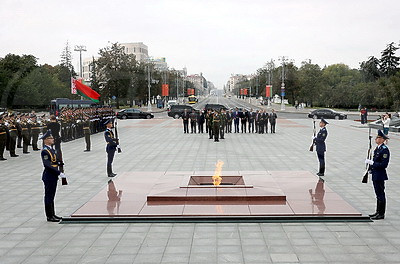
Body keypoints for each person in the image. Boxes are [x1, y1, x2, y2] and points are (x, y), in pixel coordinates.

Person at [40, 130, 65, 222]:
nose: (53, 139)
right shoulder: (45, 151)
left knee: (52, 196)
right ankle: (49, 216)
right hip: (49, 175)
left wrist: (59, 163)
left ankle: (53, 214)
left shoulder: (51, 149)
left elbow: (53, 161)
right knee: (48, 196)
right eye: (50, 138)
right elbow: (47, 164)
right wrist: (59, 173)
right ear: (45, 140)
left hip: (53, 175)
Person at [365, 130, 390, 220]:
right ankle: (377, 212)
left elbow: (383, 165)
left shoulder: (384, 150)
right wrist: (370, 169)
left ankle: (381, 213)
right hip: (375, 174)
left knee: (380, 194)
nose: (376, 139)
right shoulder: (378, 148)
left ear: (382, 139)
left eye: (378, 137)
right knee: (377, 194)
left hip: (380, 175)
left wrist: (372, 163)